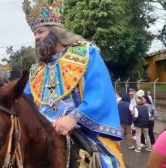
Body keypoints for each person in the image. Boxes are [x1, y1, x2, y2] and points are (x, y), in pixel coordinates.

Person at [22, 0, 124, 167]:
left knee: (105, 163)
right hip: (40, 132)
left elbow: (100, 93)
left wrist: (73, 118)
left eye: (40, 31)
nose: (37, 37)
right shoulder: (36, 70)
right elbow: (25, 100)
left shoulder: (85, 53)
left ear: (55, 31)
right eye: (34, 34)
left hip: (81, 129)